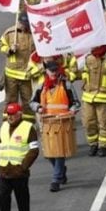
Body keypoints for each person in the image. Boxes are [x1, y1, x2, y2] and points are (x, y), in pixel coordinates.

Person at [31, 60, 80, 192]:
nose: (53, 72)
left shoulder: (66, 85)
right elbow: (32, 102)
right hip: (47, 123)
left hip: (63, 123)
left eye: (55, 70)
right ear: (46, 71)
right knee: (48, 153)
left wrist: (73, 109)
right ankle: (61, 170)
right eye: (50, 70)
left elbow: (76, 103)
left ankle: (56, 179)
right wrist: (38, 108)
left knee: (59, 153)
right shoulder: (41, 86)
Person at [0, 103, 38, 211]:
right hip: (5, 172)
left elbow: (34, 150)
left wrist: (23, 167)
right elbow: (0, 147)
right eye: (9, 114)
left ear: (20, 114)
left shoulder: (28, 128)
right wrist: (0, 165)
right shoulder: (3, 127)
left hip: (19, 172)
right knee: (3, 200)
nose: (10, 117)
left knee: (22, 201)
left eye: (13, 114)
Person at [77, 45, 106, 157]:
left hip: (104, 96)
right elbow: (84, 71)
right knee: (88, 122)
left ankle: (103, 146)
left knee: (103, 122)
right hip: (88, 96)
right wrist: (84, 81)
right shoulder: (89, 58)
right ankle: (93, 144)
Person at [0, 15, 38, 116]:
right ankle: (8, 123)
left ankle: (29, 125)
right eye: (23, 24)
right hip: (11, 75)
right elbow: (1, 45)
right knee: (10, 101)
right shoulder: (10, 33)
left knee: (28, 101)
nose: (24, 27)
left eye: (26, 25)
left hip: (26, 74)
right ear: (19, 22)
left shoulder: (34, 33)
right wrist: (9, 50)